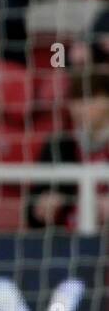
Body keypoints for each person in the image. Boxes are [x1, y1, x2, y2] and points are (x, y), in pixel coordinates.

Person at [27, 69, 109, 230]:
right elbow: (32, 211)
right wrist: (42, 208)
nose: (79, 108)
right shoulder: (58, 145)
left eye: (89, 98)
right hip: (63, 243)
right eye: (76, 100)